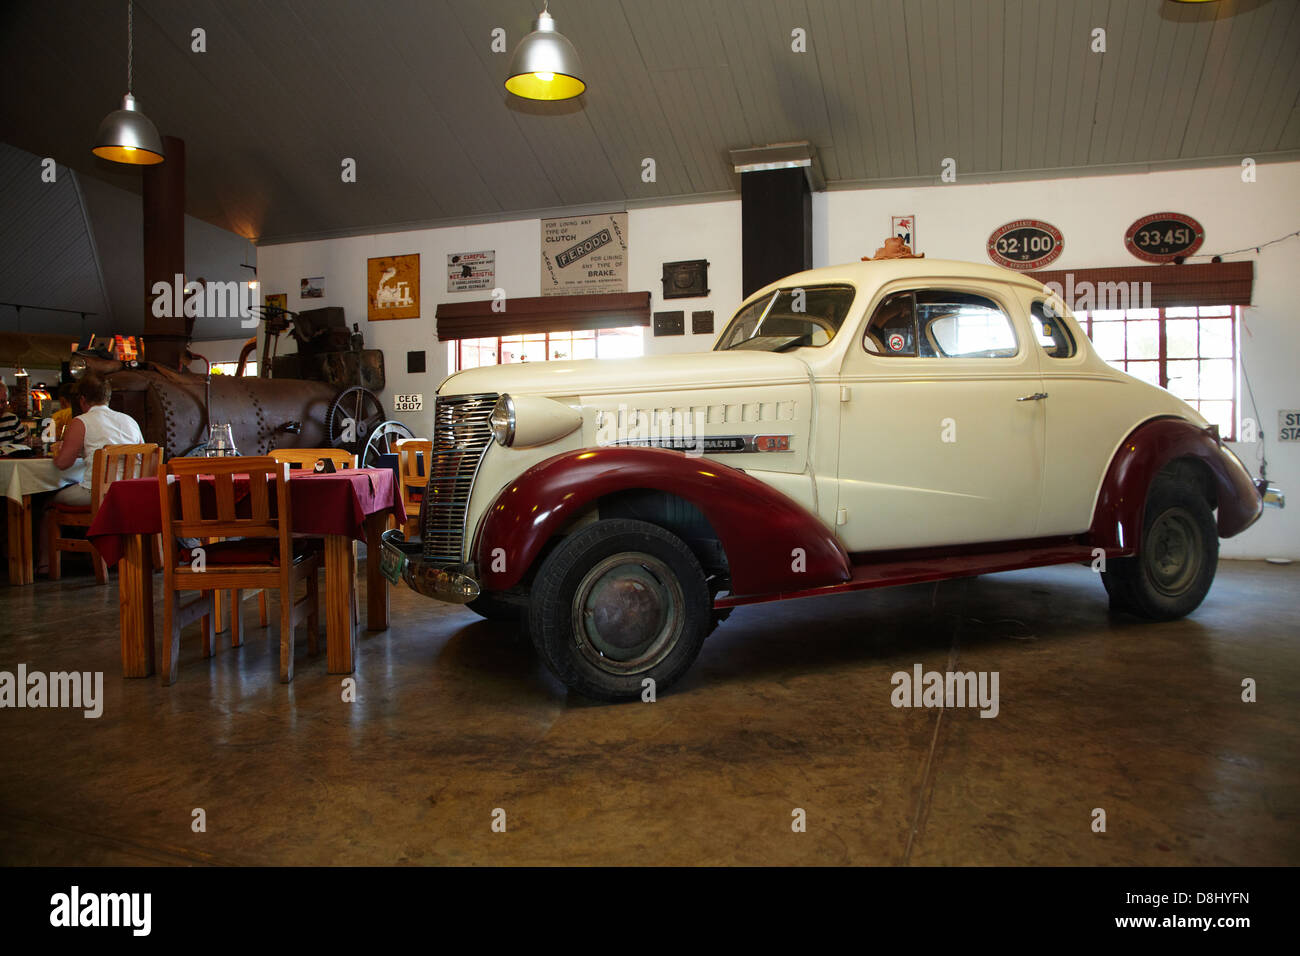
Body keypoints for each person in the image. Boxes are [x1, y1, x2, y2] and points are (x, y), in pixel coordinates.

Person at [37, 373, 143, 574]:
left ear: (82, 399)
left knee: (47, 502)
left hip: (98, 493)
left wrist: (57, 450)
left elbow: (62, 464)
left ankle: (45, 565)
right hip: (129, 492)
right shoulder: (129, 420)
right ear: (108, 398)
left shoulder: (81, 422)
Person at [0, 381, 30, 445]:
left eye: (3, 402)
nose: (0, 406)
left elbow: (23, 447)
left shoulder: (12, 419)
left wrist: (29, 443)